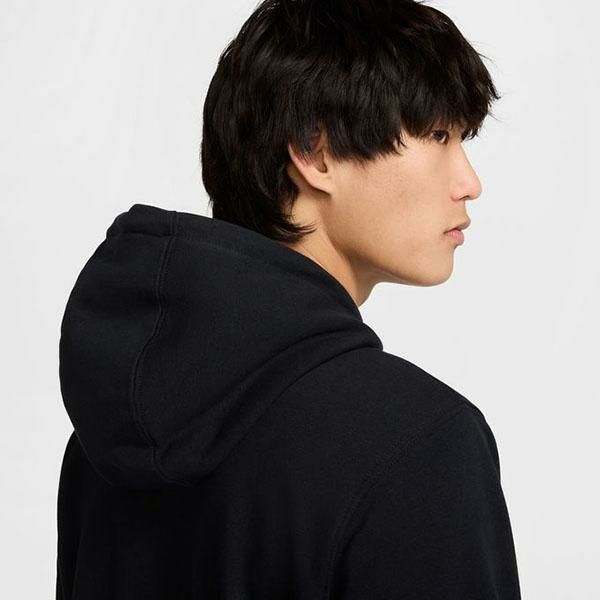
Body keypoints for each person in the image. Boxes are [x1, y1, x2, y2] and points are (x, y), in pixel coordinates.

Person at [56, 1, 521, 598]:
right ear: (315, 151)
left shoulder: (103, 445)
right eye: (437, 135)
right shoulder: (420, 443)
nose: (469, 183)